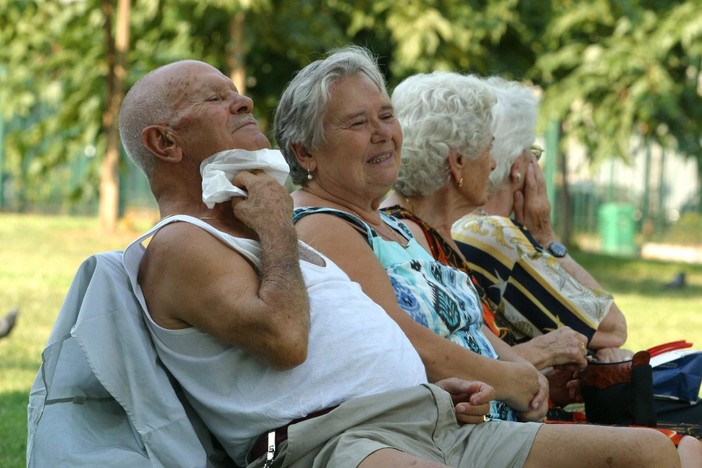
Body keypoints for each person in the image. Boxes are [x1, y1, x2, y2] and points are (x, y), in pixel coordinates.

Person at [117, 58, 558, 468]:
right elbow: (286, 341)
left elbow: (343, 351)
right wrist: (276, 228)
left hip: (419, 416)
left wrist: (425, 395)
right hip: (340, 442)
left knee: (630, 451)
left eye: (386, 115)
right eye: (215, 98)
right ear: (165, 141)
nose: (245, 102)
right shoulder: (186, 242)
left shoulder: (256, 235)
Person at [273, 45, 702, 465]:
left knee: (656, 449)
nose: (382, 131)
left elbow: (478, 330)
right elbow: (400, 339)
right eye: (357, 123)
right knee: (660, 449)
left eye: (386, 115)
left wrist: (525, 375)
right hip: (424, 431)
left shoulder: (397, 227)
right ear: (304, 151)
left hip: (480, 421)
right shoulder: (323, 225)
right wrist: (514, 380)